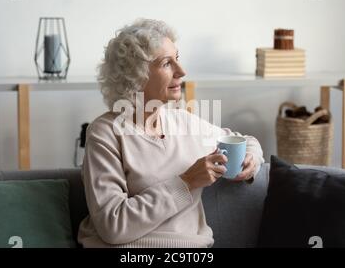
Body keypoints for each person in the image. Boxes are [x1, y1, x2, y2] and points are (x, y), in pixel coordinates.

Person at [78, 18, 264, 248]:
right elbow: (113, 225)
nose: (181, 71)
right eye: (167, 63)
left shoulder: (183, 122)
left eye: (177, 59)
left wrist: (250, 159)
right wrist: (186, 182)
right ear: (136, 76)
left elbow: (246, 141)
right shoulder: (105, 133)